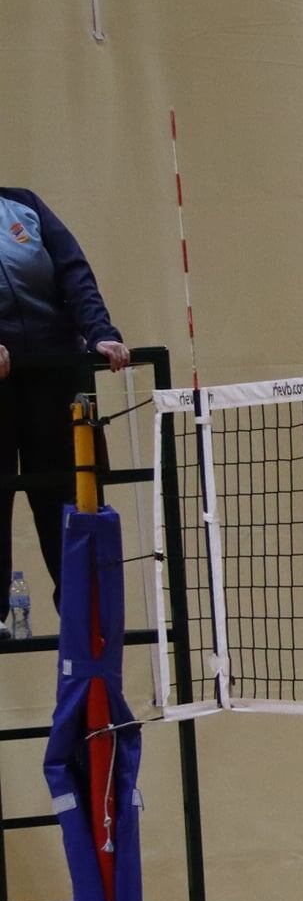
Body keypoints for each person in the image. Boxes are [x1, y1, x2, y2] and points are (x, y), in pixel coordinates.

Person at [1, 186, 131, 611]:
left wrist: (102, 332)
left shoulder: (25, 205)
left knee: (67, 495)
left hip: (55, 373)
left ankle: (82, 611)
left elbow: (74, 271)